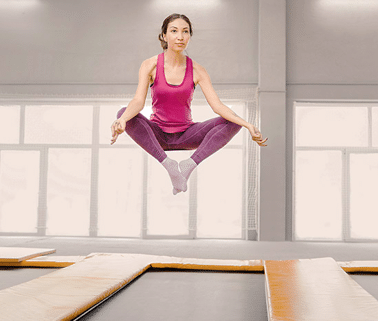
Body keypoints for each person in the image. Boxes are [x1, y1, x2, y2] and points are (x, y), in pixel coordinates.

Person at [111, 13, 267, 195]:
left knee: (234, 121)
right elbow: (138, 101)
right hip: (157, 134)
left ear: (190, 36)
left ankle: (188, 165)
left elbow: (217, 106)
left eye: (185, 32)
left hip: (187, 135)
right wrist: (123, 119)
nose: (180, 36)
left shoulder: (198, 70)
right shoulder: (150, 65)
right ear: (164, 35)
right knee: (123, 112)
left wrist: (248, 125)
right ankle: (168, 164)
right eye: (174, 31)